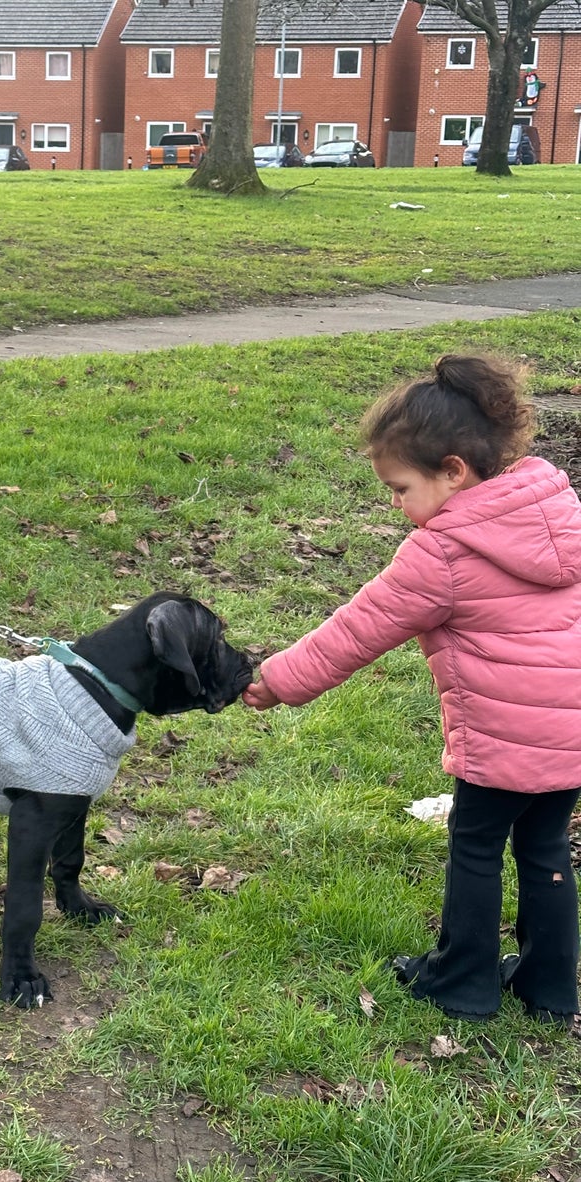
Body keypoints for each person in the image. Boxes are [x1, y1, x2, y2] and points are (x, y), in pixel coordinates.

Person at [243, 354, 581, 1026]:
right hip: (572, 734)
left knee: (477, 843)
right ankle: (549, 988)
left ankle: (462, 983)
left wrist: (278, 681)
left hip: (505, 740)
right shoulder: (558, 513)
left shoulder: (443, 552)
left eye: (399, 489)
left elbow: (356, 630)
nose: (395, 506)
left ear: (453, 470)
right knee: (544, 849)